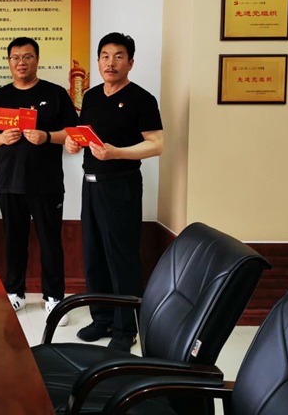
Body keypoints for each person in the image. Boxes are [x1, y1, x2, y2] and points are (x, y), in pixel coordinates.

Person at [65, 32, 163, 352]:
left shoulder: (141, 99)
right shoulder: (92, 96)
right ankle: (102, 318)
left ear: (130, 63)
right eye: (105, 56)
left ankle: (125, 329)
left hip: (121, 185)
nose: (111, 62)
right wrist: (72, 143)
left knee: (122, 257)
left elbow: (156, 144)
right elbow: (84, 136)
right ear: (98, 61)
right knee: (93, 254)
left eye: (119, 56)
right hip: (90, 184)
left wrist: (117, 152)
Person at [0, 37, 78, 325]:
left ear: (37, 59)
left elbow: (73, 132)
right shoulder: (0, 96)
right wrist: (0, 138)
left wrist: (46, 136)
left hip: (47, 183)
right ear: (9, 62)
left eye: (27, 56)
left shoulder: (55, 93)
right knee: (14, 240)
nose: (21, 62)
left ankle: (54, 297)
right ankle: (15, 291)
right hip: (10, 182)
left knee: (51, 241)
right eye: (15, 57)